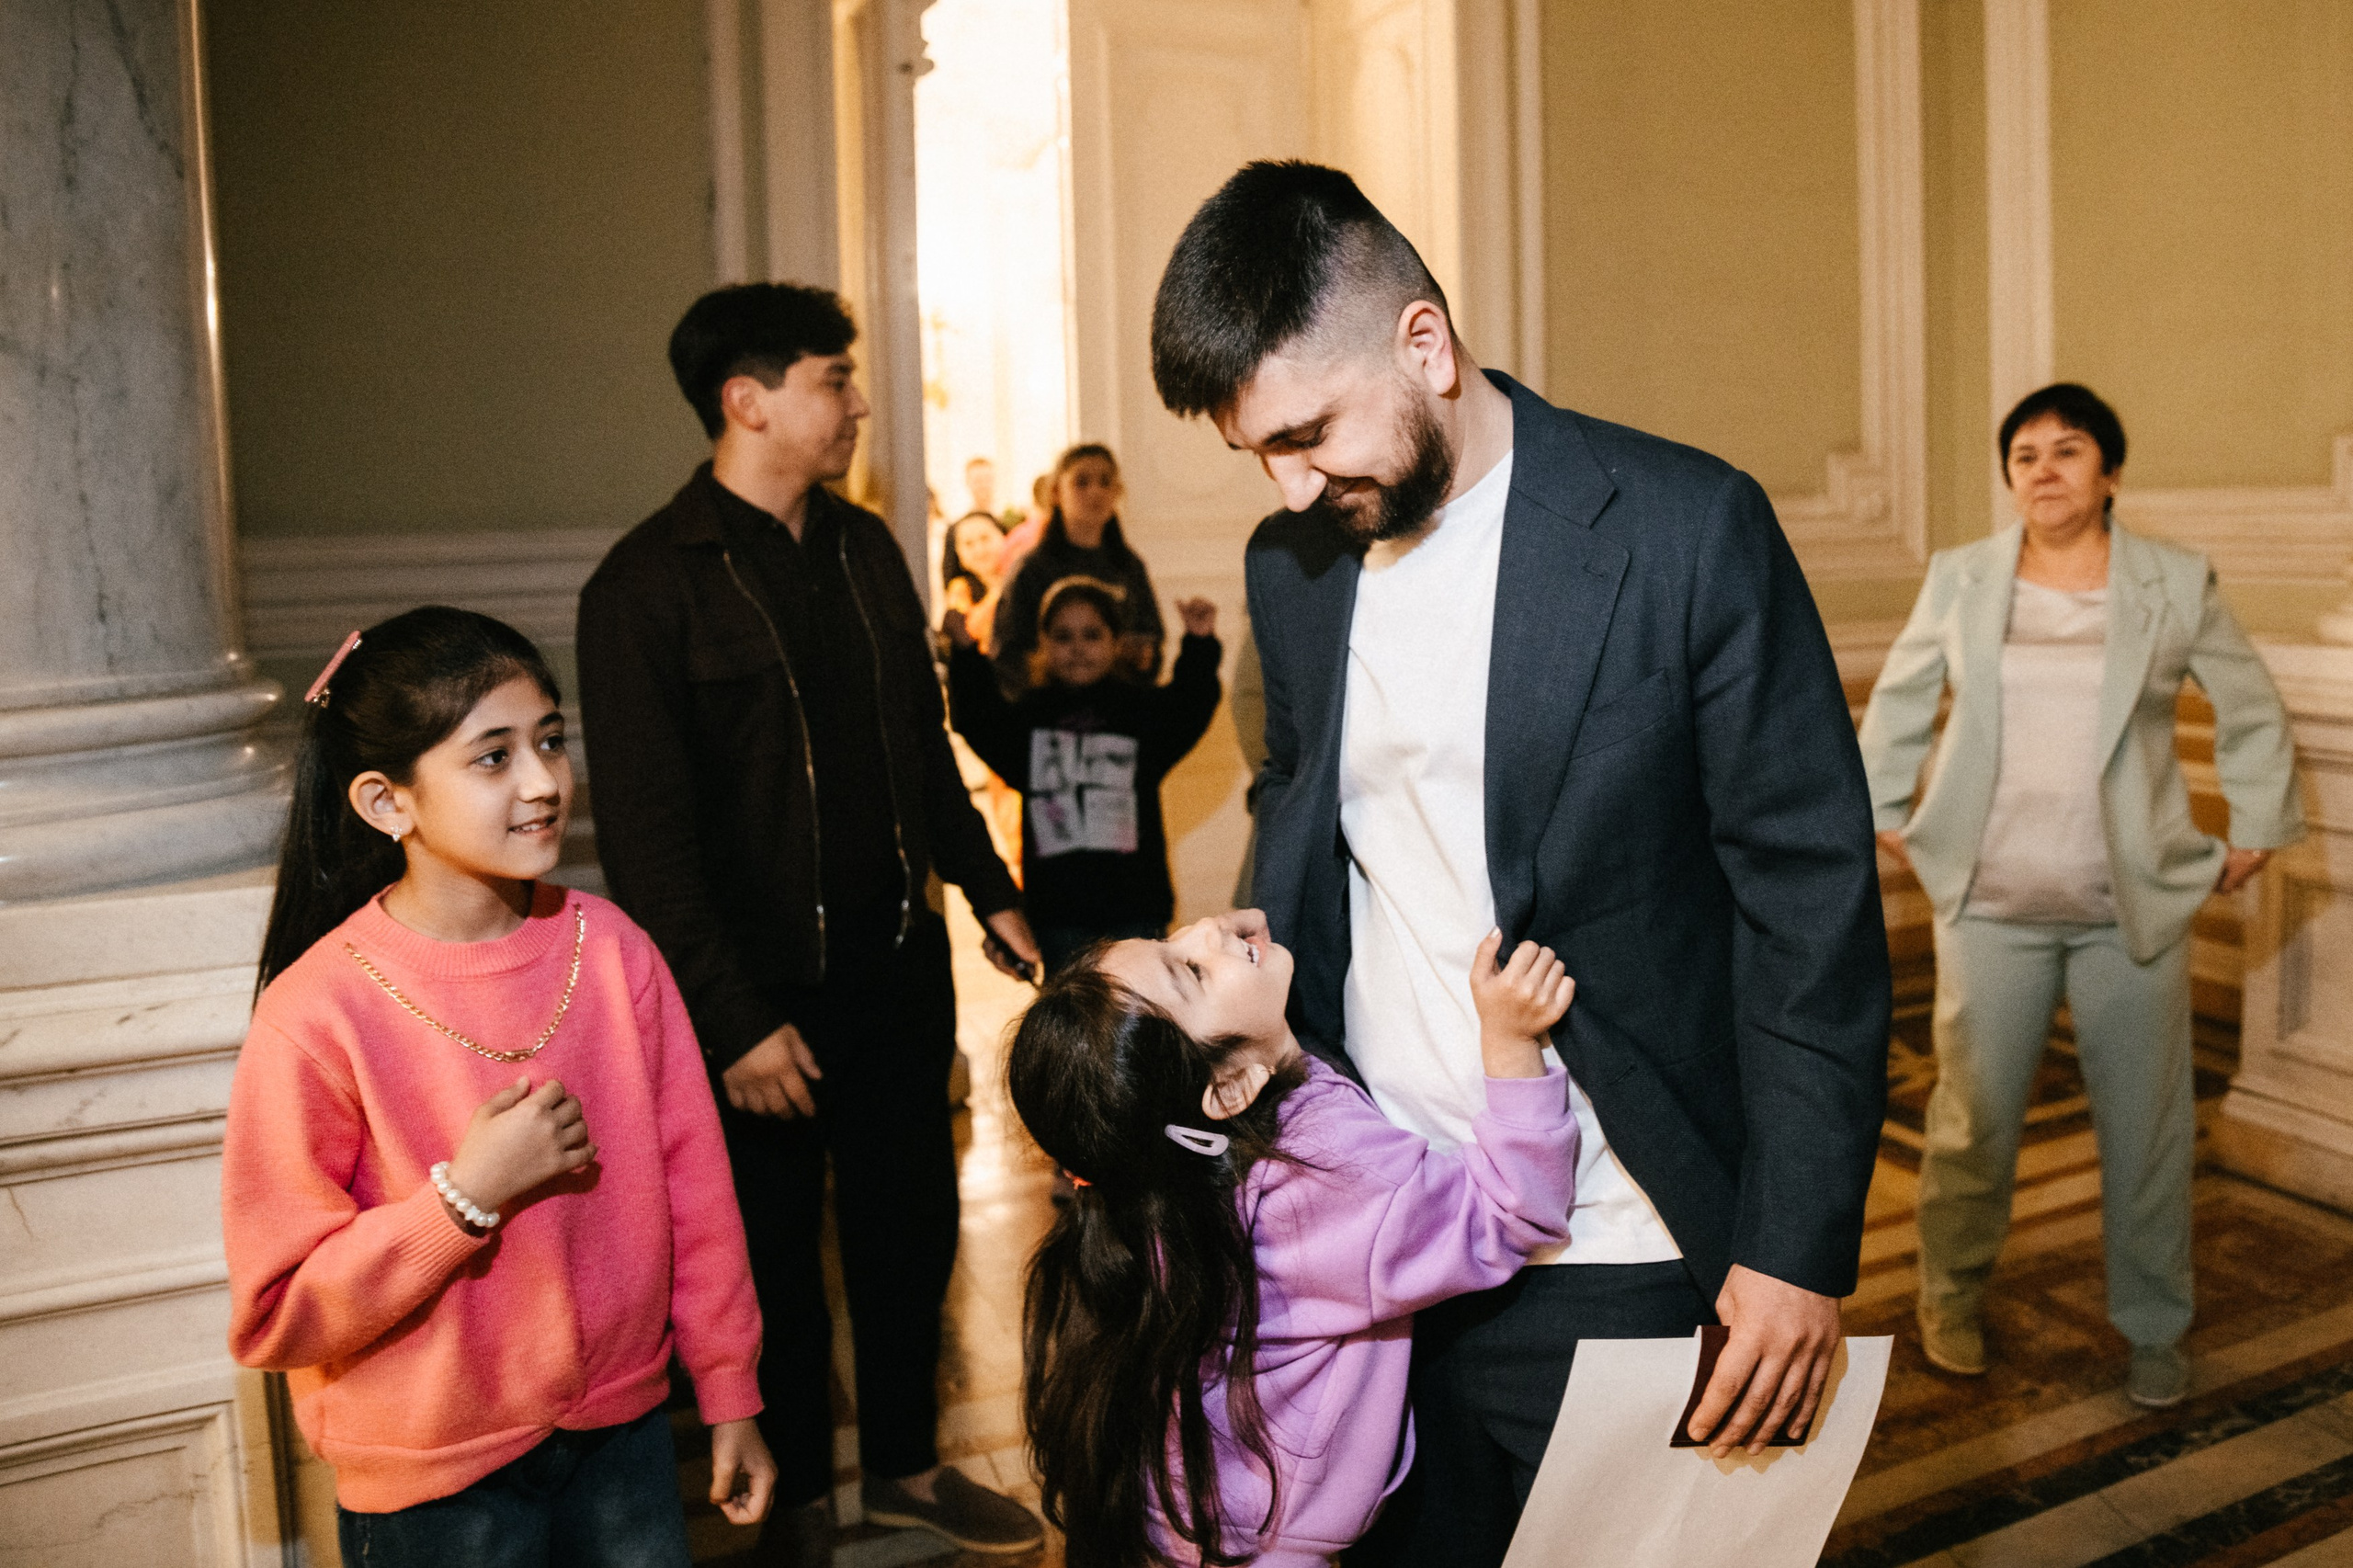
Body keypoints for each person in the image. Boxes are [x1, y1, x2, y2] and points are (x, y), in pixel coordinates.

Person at [1149, 162, 1891, 1563]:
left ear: (1424, 343)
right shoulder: (1292, 565)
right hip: (1384, 1246)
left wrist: (1795, 1244)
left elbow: (1808, 902)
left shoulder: (1684, 527)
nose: (1292, 485)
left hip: (1620, 1239)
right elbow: (1304, 801)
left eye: (1307, 432)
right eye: (1259, 454)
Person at [575, 282, 1045, 1563]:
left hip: (898, 973)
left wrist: (992, 889)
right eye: (833, 379)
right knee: (768, 1270)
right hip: (756, 1003)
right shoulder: (645, 587)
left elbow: (922, 750)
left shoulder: (867, 547)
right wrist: (734, 1020)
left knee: (911, 1236)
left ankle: (901, 1469)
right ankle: (792, 1508)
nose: (855, 402)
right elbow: (650, 850)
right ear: (749, 400)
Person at [222, 607, 775, 1568]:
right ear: (386, 802)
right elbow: (278, 1309)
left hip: (624, 1440)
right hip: (433, 1486)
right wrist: (462, 1198)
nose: (544, 781)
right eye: (493, 756)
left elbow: (699, 1193)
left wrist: (730, 1392)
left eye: (550, 740)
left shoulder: (613, 951)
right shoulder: (315, 1012)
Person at [1858, 382, 2302, 1406]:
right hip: (1991, 901)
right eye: (2024, 455)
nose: (2043, 471)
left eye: (2067, 451)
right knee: (1975, 1122)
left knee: (2146, 1133)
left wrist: (2254, 829)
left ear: (2108, 473)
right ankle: (1950, 1293)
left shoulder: (2172, 582)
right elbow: (1904, 696)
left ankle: (2153, 1326)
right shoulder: (1963, 576)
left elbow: (2249, 707)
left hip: (2127, 907)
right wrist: (1880, 802)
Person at [1011, 911, 1580, 1567]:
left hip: (1189, 1522)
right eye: (1190, 970)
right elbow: (1512, 1211)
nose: (1204, 930)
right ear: (1228, 1089)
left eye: (1172, 938)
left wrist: (1229, 960)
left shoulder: (1158, 1173)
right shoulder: (1321, 1176)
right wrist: (1510, 1040)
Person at [945, 577, 1223, 973]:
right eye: (1062, 636)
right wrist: (965, 652)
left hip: (1136, 909)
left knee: (1142, 1012)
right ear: (1042, 644)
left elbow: (1189, 706)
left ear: (1116, 641)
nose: (1077, 647)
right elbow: (980, 718)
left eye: (1092, 635)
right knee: (1073, 1023)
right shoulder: (1029, 720)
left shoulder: (1139, 715)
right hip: (1058, 917)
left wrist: (1199, 642)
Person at [993, 443, 1167, 692]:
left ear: (1117, 492)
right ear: (1055, 492)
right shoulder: (1032, 569)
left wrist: (1141, 658)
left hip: (1115, 706)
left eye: (1105, 482)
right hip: (1049, 708)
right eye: (1082, 482)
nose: (1095, 492)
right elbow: (1008, 651)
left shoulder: (1128, 566)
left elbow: (1151, 640)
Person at [941, 508, 1011, 650]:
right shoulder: (960, 589)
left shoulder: (1023, 579)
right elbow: (970, 631)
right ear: (958, 555)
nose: (979, 550)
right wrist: (997, 591)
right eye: (968, 544)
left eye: (985, 538)